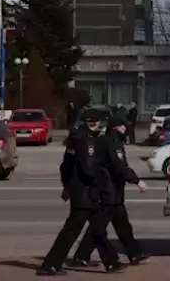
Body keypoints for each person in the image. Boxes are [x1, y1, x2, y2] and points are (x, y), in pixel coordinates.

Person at [38, 110, 122, 276]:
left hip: (81, 191)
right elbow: (89, 169)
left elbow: (65, 167)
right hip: (87, 193)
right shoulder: (87, 141)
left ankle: (112, 262)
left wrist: (67, 186)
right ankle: (51, 264)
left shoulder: (75, 140)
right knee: (73, 231)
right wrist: (100, 184)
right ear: (93, 122)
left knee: (97, 228)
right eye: (99, 122)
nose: (101, 126)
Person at [76, 113, 148, 265]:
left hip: (112, 193)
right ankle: (82, 255)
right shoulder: (113, 143)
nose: (126, 128)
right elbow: (120, 168)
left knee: (123, 226)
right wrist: (137, 181)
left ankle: (135, 253)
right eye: (123, 126)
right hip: (109, 192)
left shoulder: (104, 140)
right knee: (98, 227)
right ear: (117, 127)